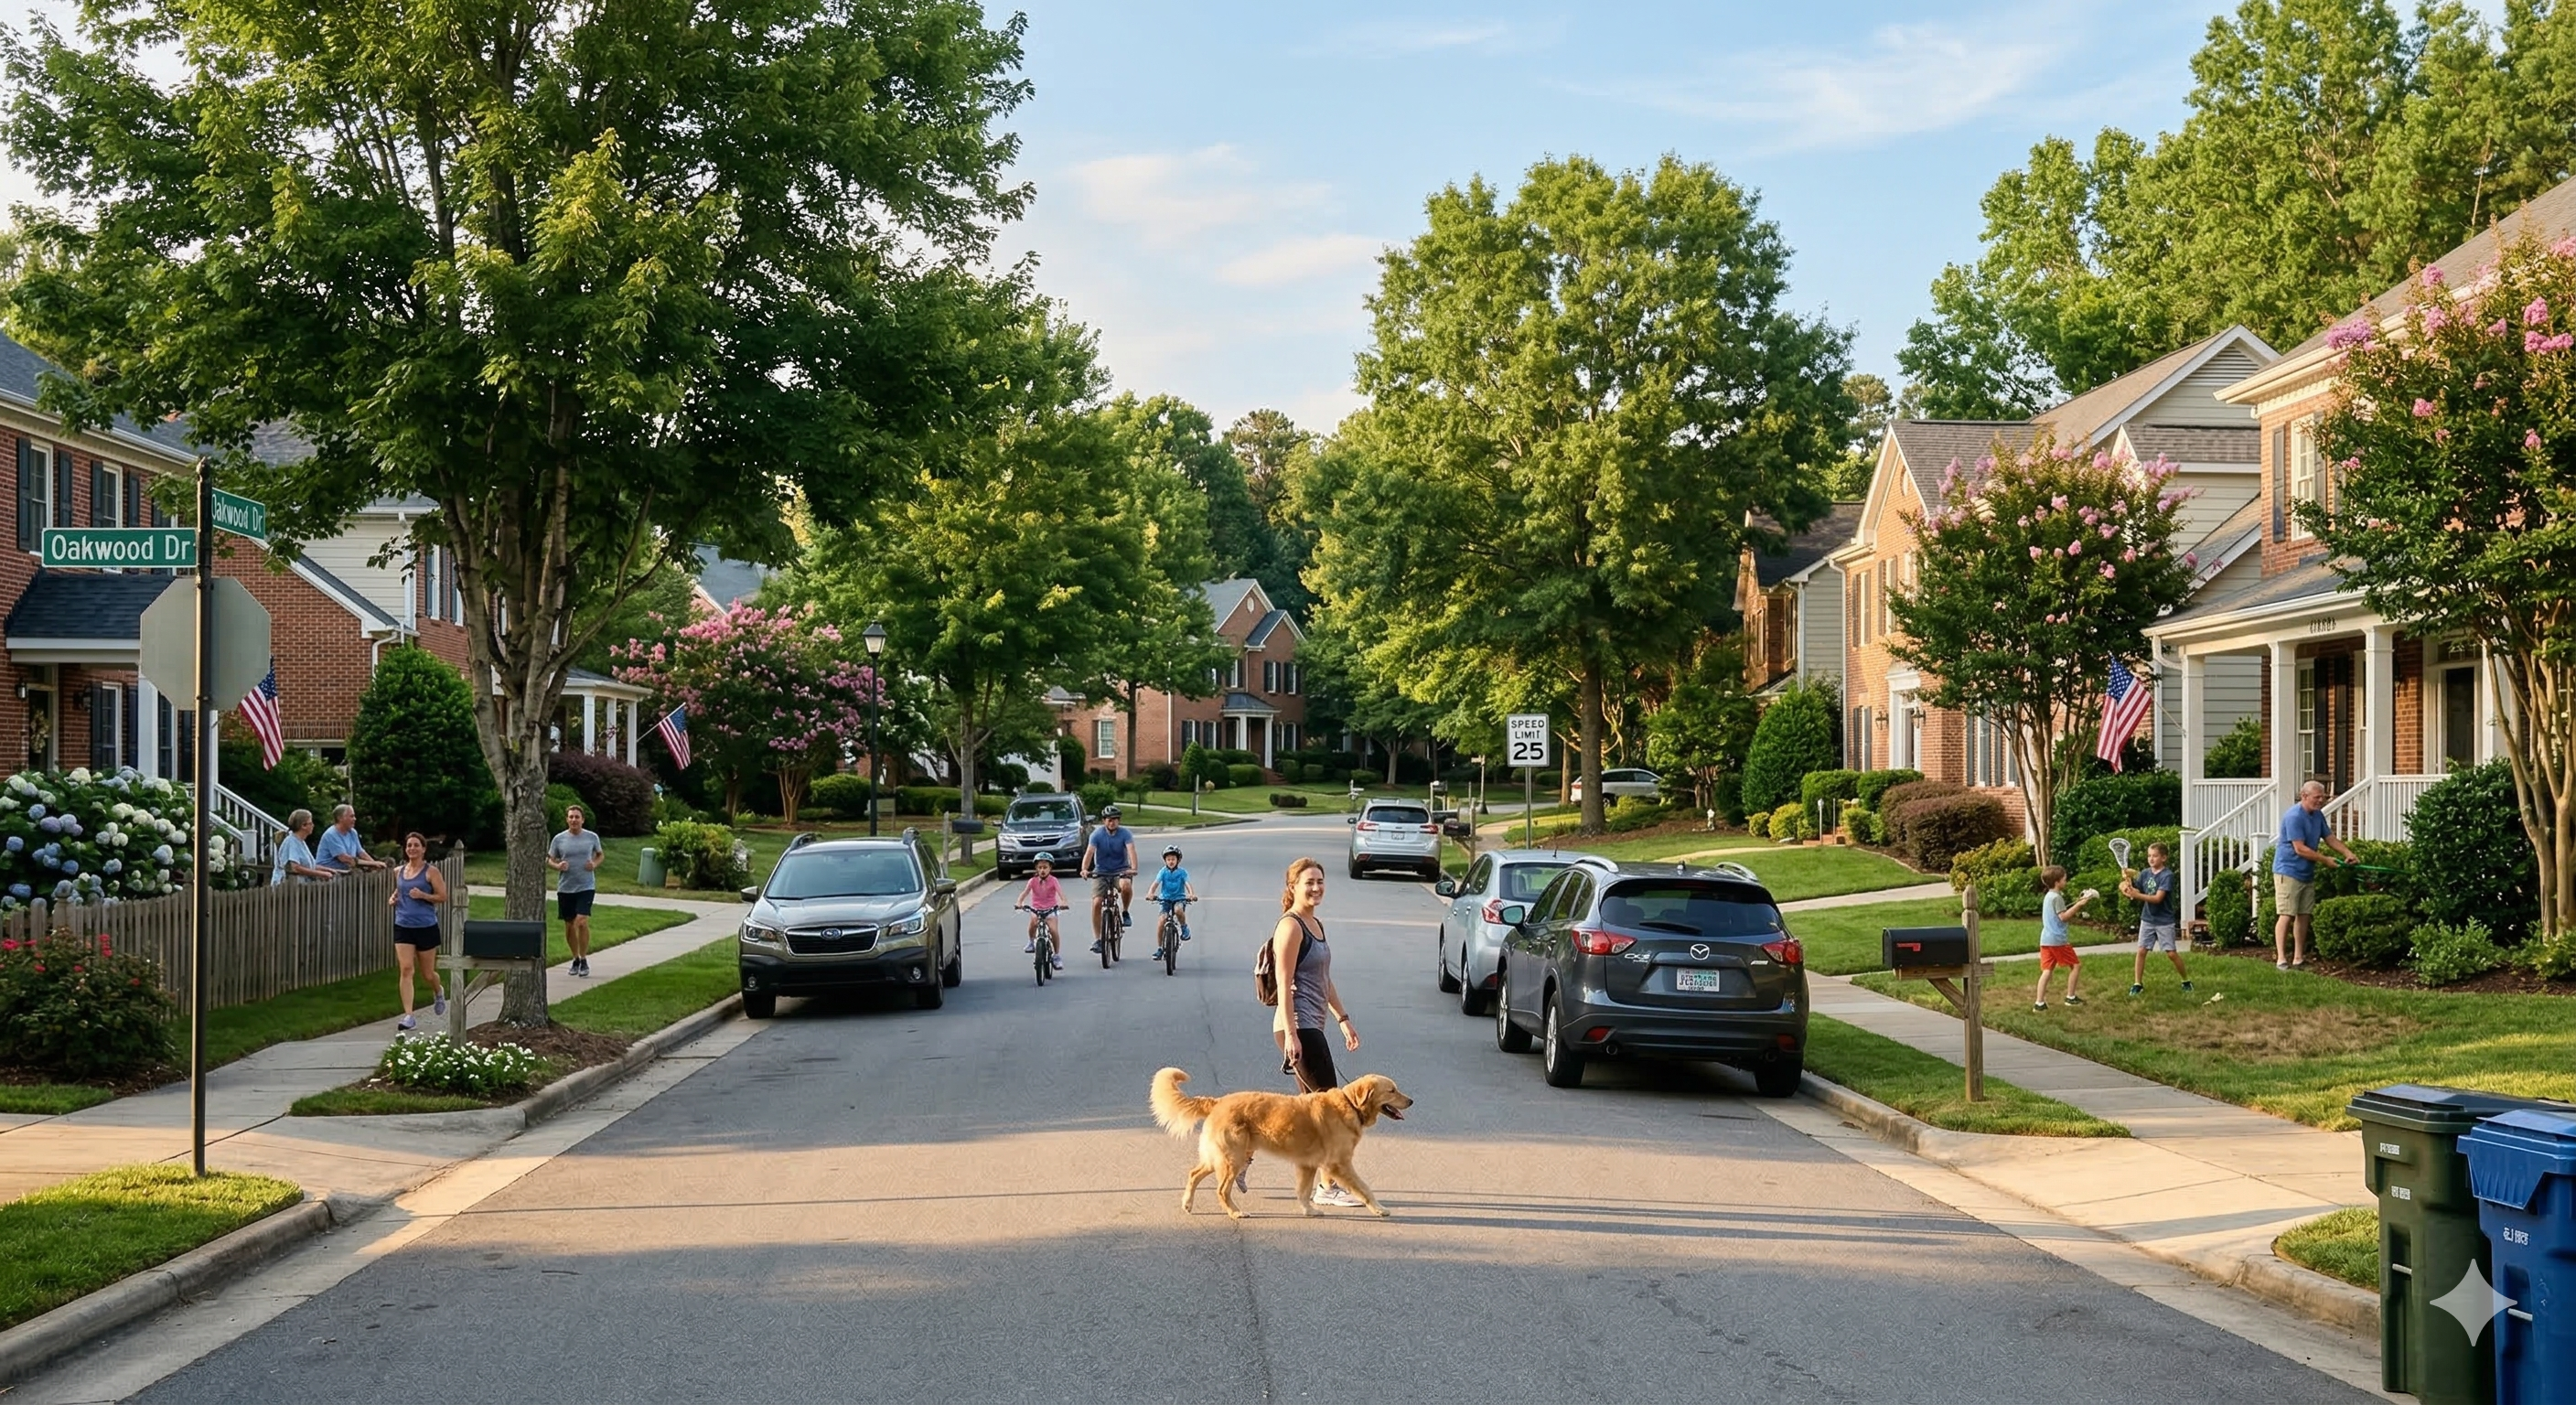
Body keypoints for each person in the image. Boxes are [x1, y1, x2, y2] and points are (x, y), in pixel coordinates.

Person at [1271, 856, 1366, 1208]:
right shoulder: (1291, 926)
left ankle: (1246, 1155)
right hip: (1298, 1026)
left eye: (1320, 881)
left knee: (1310, 1112)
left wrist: (1343, 1019)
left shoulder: (1315, 923)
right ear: (1292, 886)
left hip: (1313, 1023)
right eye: (1308, 882)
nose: (1315, 888)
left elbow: (1323, 981)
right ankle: (1328, 1186)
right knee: (1332, 1108)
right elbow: (1283, 983)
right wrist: (1293, 1034)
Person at [2273, 779, 2356, 970]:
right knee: (2286, 914)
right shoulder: (2294, 816)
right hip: (2288, 870)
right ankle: (2281, 960)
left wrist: (2347, 853)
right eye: (2317, 797)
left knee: (2304, 914)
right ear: (2304, 796)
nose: (2321, 800)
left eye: (2323, 797)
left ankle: (2298, 959)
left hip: (2306, 872)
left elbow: (2329, 838)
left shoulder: (2318, 815)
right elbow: (2300, 849)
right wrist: (2326, 860)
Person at [387, 831, 449, 1031]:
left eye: (416, 845)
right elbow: (400, 891)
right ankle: (408, 1016)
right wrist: (393, 899)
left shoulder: (431, 872)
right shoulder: (398, 871)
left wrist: (423, 895)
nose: (412, 849)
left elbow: (443, 896)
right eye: (409, 845)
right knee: (406, 969)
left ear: (423, 849)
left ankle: (438, 991)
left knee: (428, 974)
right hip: (403, 925)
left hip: (426, 926)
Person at [2120, 842, 2191, 997]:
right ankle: (2137, 983)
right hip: (2147, 919)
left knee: (2171, 953)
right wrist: (2126, 887)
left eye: (2155, 856)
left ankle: (2186, 980)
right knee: (2141, 950)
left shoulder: (2167, 876)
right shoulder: (2145, 873)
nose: (2151, 859)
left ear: (2164, 858)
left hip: (2164, 920)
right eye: (2149, 856)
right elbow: (2137, 889)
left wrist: (2137, 895)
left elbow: (2158, 898)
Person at [547, 804, 605, 977]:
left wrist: (593, 864)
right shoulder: (559, 839)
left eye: (577, 817)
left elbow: (600, 855)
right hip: (566, 888)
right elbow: (549, 859)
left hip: (586, 886)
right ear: (567, 819)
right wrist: (558, 866)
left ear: (582, 820)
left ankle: (584, 959)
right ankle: (575, 959)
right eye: (571, 817)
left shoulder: (591, 837)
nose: (574, 820)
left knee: (581, 921)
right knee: (570, 925)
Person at [2034, 865, 2098, 1011]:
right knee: (2076, 966)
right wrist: (2080, 905)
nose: (2066, 881)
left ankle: (2039, 1003)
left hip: (2046, 940)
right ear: (2057, 882)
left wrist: (2077, 902)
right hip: (2058, 941)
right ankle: (2070, 997)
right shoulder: (2057, 897)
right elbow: (2064, 917)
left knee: (2047, 971)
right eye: (2064, 879)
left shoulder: (2048, 896)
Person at [1080, 803, 1139, 951]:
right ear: (1103, 821)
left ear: (1118, 821)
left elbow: (1131, 850)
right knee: (1097, 903)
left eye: (1114, 819)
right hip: (1101, 872)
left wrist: (1133, 868)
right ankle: (1098, 940)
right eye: (1108, 819)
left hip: (1121, 870)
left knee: (1126, 886)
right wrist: (1084, 869)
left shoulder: (1125, 834)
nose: (1111, 822)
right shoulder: (1097, 835)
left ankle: (1125, 912)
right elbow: (1089, 853)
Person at [1018, 853, 1067, 971]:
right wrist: (1019, 902)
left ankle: (1056, 955)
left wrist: (1064, 903)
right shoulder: (1032, 881)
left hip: (1050, 908)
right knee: (1033, 922)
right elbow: (1024, 893)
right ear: (1036, 869)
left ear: (1050, 868)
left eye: (1045, 867)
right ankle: (1031, 942)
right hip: (1036, 908)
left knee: (1053, 930)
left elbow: (1061, 894)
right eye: (1040, 868)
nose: (1042, 870)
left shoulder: (1053, 880)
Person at [1149, 844, 1195, 960]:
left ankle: (1184, 928)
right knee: (1161, 920)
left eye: (1173, 859)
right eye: (1168, 859)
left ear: (1178, 860)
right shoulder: (1163, 872)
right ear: (1165, 860)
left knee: (1178, 910)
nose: (1171, 861)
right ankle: (1160, 948)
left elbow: (1188, 884)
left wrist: (1191, 894)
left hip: (1179, 898)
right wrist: (1150, 893)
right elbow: (1155, 883)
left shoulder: (1182, 872)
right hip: (1165, 899)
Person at [271, 809, 336, 885]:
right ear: (303, 826)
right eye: (310, 823)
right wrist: (321, 874)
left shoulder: (301, 842)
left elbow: (312, 866)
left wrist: (331, 870)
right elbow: (295, 868)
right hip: (287, 887)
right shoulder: (291, 842)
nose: (313, 825)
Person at [316, 803, 384, 874]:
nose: (355, 819)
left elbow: (361, 852)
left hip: (345, 872)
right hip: (327, 874)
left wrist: (375, 864)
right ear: (340, 818)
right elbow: (345, 859)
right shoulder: (331, 834)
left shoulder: (353, 832)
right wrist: (372, 864)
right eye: (352, 816)